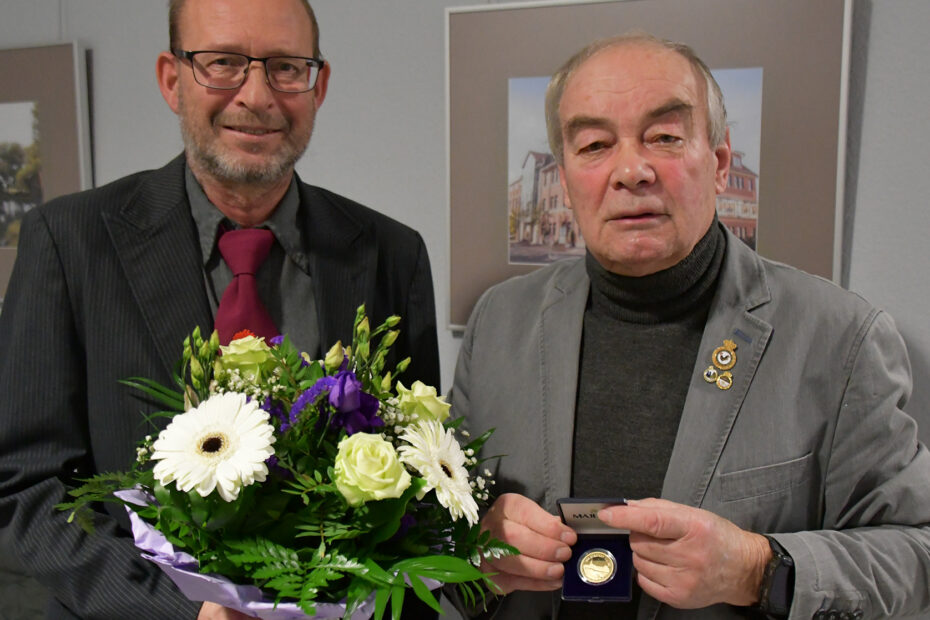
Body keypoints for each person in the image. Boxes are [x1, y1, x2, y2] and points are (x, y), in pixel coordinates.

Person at [451, 33, 930, 619]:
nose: (632, 171)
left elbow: (916, 551)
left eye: (665, 138)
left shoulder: (841, 339)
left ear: (720, 162)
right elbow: (436, 527)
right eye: (595, 145)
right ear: (568, 174)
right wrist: (470, 547)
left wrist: (759, 568)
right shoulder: (499, 322)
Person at [0, 0, 440, 618]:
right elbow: (24, 486)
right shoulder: (70, 242)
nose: (257, 95)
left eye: (287, 68)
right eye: (223, 63)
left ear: (320, 86)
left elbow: (418, 486)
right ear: (171, 79)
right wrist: (179, 613)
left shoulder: (393, 252)